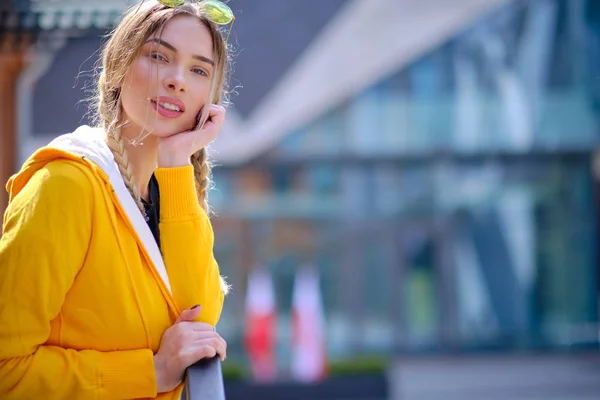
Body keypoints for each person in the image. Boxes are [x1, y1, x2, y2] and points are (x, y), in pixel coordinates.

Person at [0, 0, 235, 398]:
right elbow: (6, 369)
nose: (178, 79)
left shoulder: (171, 191)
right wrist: (149, 372)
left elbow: (199, 314)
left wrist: (178, 161)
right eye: (159, 56)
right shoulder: (65, 185)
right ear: (117, 67)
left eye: (198, 70)